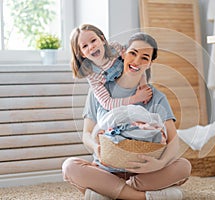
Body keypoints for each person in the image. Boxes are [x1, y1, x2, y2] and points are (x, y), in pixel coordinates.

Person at [62, 32, 191, 200]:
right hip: (105, 169)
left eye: (144, 58)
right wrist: (96, 148)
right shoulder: (98, 92)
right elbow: (87, 134)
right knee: (70, 167)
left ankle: (109, 192)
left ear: (150, 63)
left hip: (145, 172)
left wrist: (160, 163)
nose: (137, 61)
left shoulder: (156, 97)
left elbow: (174, 140)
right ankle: (142, 197)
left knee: (184, 166)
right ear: (123, 53)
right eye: (133, 53)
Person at [70, 24, 152, 111]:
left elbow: (137, 64)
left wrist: (143, 84)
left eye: (93, 40)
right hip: (115, 99)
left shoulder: (116, 49)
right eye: (85, 46)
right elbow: (107, 103)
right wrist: (136, 98)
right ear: (82, 54)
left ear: (102, 40)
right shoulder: (92, 75)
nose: (91, 47)